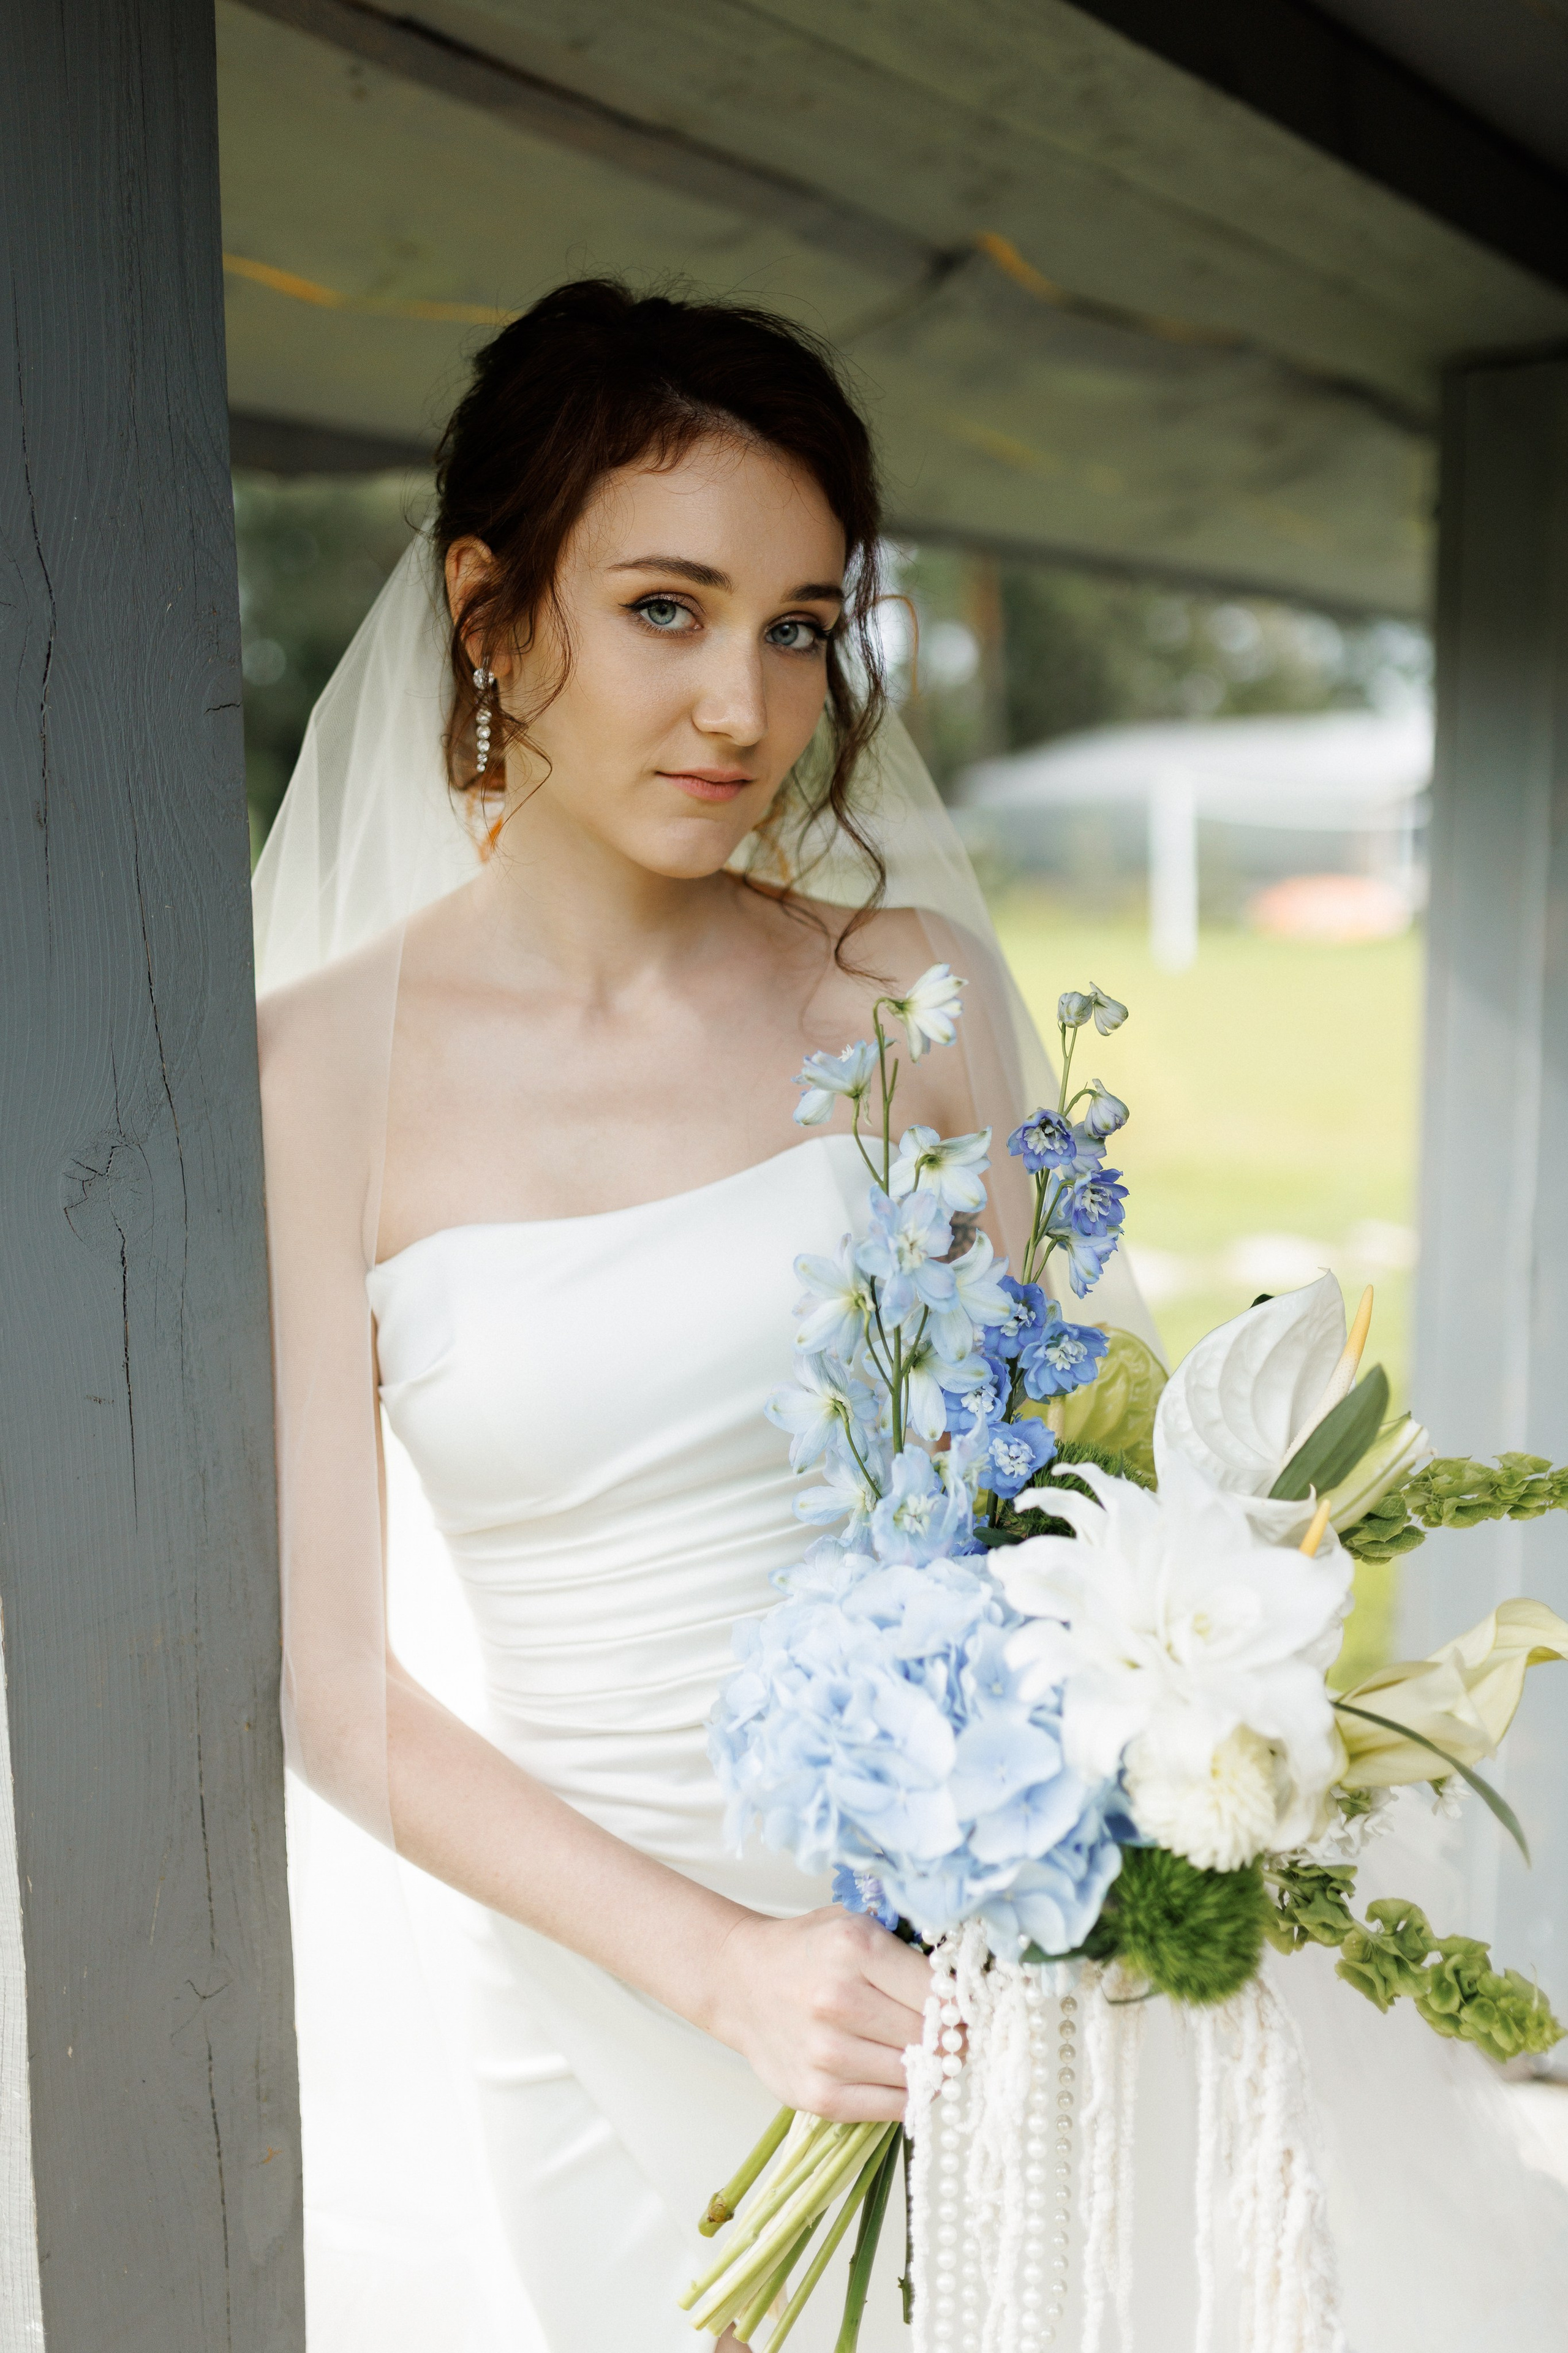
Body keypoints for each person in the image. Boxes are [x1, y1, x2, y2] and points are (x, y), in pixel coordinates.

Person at [254, 281, 1568, 2353]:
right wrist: (724, 1970)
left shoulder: (910, 996)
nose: (746, 709)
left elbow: (1093, 1485)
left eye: (798, 625)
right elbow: (327, 1683)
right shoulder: (305, 1075)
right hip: (613, 1980)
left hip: (986, 1950)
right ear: (495, 619)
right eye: (668, 608)